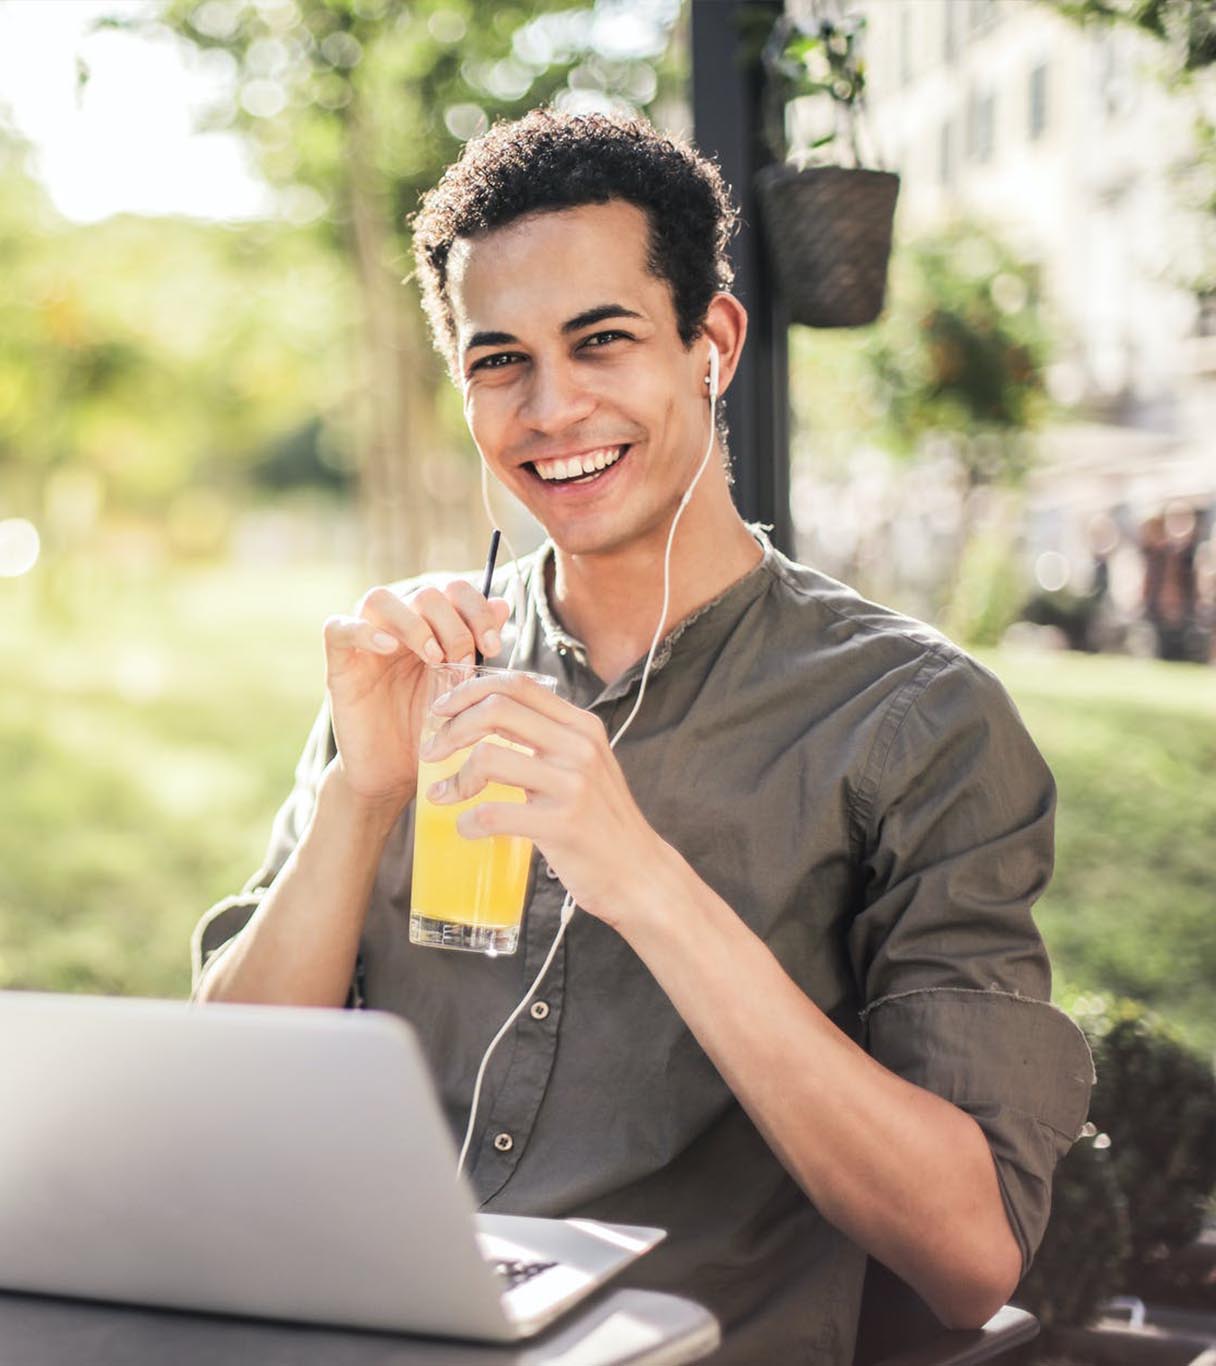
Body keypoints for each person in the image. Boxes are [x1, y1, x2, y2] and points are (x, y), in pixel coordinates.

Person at [193, 110, 1093, 1363]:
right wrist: (361, 795)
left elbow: (966, 1254)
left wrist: (639, 875)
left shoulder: (914, 722)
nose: (553, 409)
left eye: (601, 340)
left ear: (708, 344)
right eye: (499, 360)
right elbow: (215, 1109)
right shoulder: (413, 672)